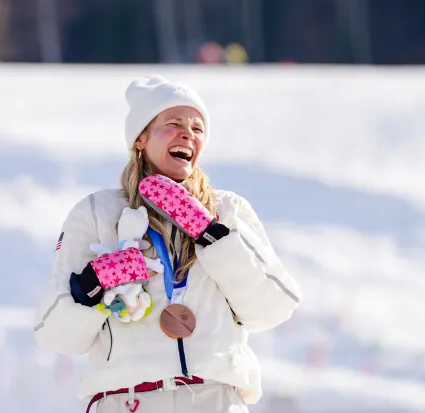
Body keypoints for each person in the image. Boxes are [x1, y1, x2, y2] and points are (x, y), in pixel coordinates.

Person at [34, 75, 301, 413]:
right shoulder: (98, 213)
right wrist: (91, 286)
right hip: (127, 401)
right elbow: (54, 334)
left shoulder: (228, 211)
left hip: (215, 400)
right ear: (140, 138)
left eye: (197, 128)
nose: (187, 133)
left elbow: (272, 307)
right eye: (173, 123)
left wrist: (212, 236)